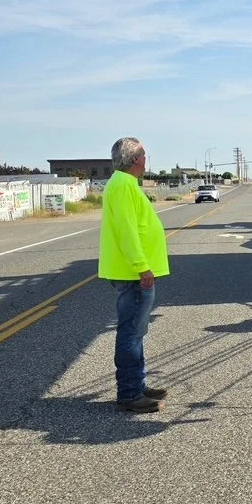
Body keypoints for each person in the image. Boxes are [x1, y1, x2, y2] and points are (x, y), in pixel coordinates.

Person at [98, 137, 170, 413]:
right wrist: (142, 266)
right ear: (136, 158)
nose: (145, 159)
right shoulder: (122, 186)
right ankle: (129, 394)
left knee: (136, 331)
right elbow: (127, 231)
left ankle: (137, 385)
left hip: (132, 270)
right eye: (144, 154)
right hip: (133, 272)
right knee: (130, 332)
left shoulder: (124, 183)